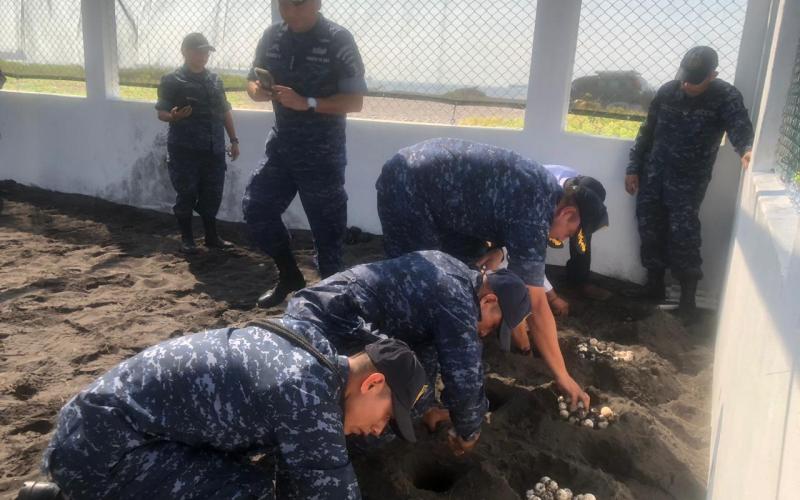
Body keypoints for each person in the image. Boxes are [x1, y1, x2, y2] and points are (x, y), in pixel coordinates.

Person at [24, 323, 427, 500]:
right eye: (388, 417)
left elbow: (299, 475)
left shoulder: (313, 355)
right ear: (373, 383)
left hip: (98, 429)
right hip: (107, 454)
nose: (379, 431)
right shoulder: (305, 398)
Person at [376, 138, 609, 408]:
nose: (563, 239)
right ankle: (408, 388)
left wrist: (499, 249)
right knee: (420, 287)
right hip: (409, 185)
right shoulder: (534, 212)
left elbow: (496, 207)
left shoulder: (545, 193)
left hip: (442, 196)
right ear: (568, 213)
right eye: (569, 233)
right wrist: (563, 376)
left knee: (468, 269)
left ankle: (449, 351)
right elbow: (536, 302)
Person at [284, 250, 532, 456]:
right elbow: (464, 376)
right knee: (399, 405)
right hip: (323, 328)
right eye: (495, 325)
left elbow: (436, 354)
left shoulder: (456, 272)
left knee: (419, 382)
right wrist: (469, 431)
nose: (488, 332)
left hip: (325, 310)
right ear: (488, 301)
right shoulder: (456, 301)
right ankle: (331, 444)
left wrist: (438, 406)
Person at [242, 0, 367, 308]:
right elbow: (251, 80)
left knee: (327, 235)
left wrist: (308, 102)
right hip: (282, 147)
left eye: (299, 5)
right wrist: (258, 91)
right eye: (285, 5)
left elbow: (355, 101)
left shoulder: (338, 39)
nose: (292, 12)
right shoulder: (272, 36)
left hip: (321, 153)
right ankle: (289, 275)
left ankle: (332, 303)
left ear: (317, 3)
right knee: (256, 208)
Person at [625, 46, 754, 314]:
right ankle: (654, 285)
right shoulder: (667, 91)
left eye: (694, 81)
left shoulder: (725, 97)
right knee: (649, 227)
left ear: (712, 75)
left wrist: (747, 150)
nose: (687, 85)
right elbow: (647, 131)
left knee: (684, 235)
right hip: (654, 175)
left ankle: (687, 302)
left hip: (688, 182)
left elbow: (739, 126)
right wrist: (633, 167)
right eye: (685, 77)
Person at [155, 33, 239, 254]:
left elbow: (224, 111)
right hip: (185, 150)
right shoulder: (172, 80)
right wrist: (173, 116)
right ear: (185, 51)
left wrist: (233, 139)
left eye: (206, 52)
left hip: (214, 148)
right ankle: (187, 239)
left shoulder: (215, 80)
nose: (203, 56)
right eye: (198, 51)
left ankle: (212, 237)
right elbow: (161, 112)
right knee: (187, 193)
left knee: (212, 194)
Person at [493, 164, 612, 317]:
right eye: (568, 234)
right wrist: (552, 296)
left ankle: (579, 281)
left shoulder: (575, 192)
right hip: (508, 222)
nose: (565, 239)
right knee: (527, 255)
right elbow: (528, 254)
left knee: (579, 238)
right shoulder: (539, 204)